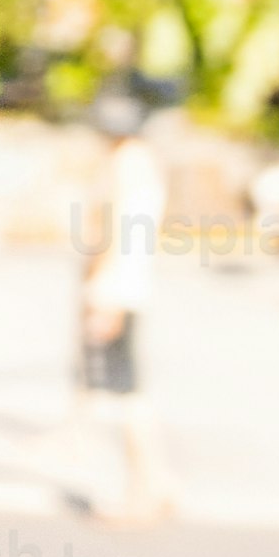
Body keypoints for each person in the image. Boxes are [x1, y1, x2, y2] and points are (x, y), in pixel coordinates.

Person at [74, 80, 174, 525]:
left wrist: (101, 292)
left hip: (116, 289)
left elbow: (116, 233)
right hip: (129, 287)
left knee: (125, 397)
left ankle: (143, 492)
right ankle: (158, 483)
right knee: (131, 393)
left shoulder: (125, 165)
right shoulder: (142, 162)